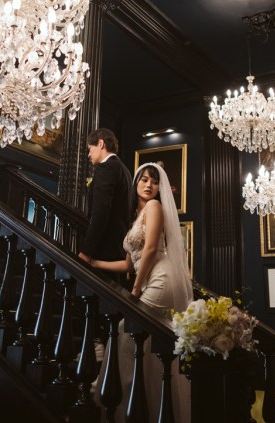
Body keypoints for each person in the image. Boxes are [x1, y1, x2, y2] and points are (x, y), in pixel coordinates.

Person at [91, 162, 193, 423]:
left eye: (154, 181)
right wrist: (93, 263)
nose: (149, 185)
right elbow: (128, 263)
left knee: (126, 336)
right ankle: (144, 410)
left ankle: (123, 410)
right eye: (144, 180)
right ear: (136, 183)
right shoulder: (135, 216)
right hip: (147, 279)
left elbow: (149, 251)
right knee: (146, 349)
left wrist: (134, 291)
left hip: (160, 279)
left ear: (160, 188)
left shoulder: (154, 207)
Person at [78, 128, 132, 282]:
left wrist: (87, 251)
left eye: (90, 149)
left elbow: (100, 212)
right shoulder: (124, 170)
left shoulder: (106, 168)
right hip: (119, 249)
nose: (88, 154)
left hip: (105, 251)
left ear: (100, 143)